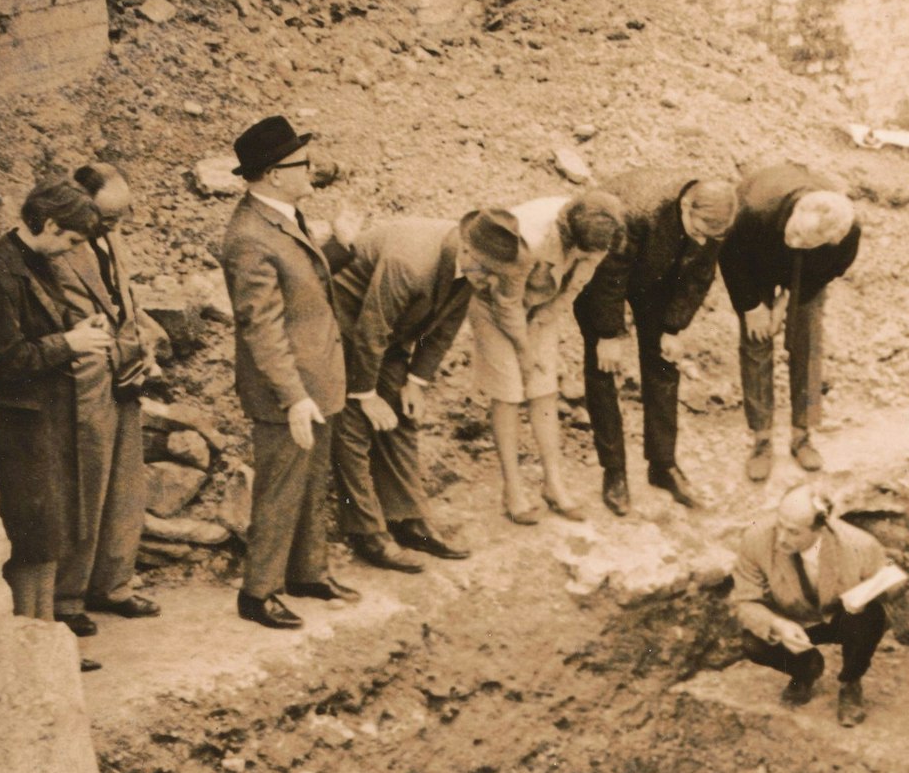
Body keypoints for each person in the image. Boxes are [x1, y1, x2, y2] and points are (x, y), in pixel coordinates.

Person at [220, 115, 353, 630]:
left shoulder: (282, 216)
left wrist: (339, 246)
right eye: (302, 163)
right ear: (275, 174)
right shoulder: (249, 237)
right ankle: (259, 592)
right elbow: (262, 327)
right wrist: (293, 396)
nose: (311, 170)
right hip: (288, 388)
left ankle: (307, 573)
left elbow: (304, 288)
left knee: (312, 481)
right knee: (279, 489)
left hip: (316, 377)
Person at [0, 180, 114, 656]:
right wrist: (69, 344)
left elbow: (41, 331)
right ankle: (31, 650)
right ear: (50, 224)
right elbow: (6, 359)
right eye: (71, 240)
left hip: (46, 418)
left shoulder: (34, 263)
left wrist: (76, 329)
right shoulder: (0, 272)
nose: (70, 251)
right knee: (31, 535)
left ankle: (46, 642)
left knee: (48, 532)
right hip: (21, 425)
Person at [574, 167, 738, 517]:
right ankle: (614, 470)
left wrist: (674, 327)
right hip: (604, 276)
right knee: (603, 367)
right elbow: (610, 274)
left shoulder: (716, 222)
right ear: (686, 205)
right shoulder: (637, 212)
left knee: (664, 364)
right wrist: (608, 333)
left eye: (709, 237)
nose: (702, 242)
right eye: (697, 231)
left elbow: (700, 275)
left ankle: (663, 465)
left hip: (657, 278)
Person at [328, 209, 481, 571]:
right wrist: (365, 395)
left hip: (386, 333)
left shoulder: (475, 262)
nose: (491, 282)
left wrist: (416, 382)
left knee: (400, 414)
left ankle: (407, 519)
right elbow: (369, 330)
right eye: (488, 272)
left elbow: (445, 326)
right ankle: (366, 532)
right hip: (340, 323)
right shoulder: (410, 263)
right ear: (468, 251)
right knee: (352, 425)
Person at [467, 191, 625, 523]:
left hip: (541, 302)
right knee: (508, 391)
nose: (590, 257)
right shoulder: (527, 239)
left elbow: (571, 289)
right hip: (494, 301)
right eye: (584, 251)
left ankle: (553, 484)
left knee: (544, 389)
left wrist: (541, 324)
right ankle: (512, 490)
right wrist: (524, 351)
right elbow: (507, 303)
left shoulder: (602, 230)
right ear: (570, 234)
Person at [56, 160, 160, 624]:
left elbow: (125, 300)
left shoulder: (112, 236)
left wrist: (143, 344)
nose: (116, 225)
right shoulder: (58, 249)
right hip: (85, 382)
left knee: (124, 487)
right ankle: (67, 598)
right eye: (107, 217)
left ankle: (113, 586)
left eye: (122, 214)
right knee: (85, 490)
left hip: (125, 373)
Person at [720, 166, 861, 483]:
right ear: (798, 210)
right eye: (794, 232)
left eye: (804, 240)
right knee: (756, 342)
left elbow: (829, 271)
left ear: (830, 239)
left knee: (807, 341)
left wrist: (786, 301)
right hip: (755, 259)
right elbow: (730, 258)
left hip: (807, 271)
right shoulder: (753, 209)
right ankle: (761, 439)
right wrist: (752, 307)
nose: (794, 241)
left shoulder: (847, 232)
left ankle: (802, 434)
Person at [730, 480, 897, 728]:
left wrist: (864, 594)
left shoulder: (858, 544)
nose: (782, 538)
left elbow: (891, 580)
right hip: (794, 619)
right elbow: (745, 601)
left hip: (842, 618)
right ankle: (805, 669)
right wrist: (777, 625)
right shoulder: (756, 540)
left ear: (820, 527)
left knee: (870, 615)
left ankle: (851, 682)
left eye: (794, 532)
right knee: (754, 643)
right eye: (780, 525)